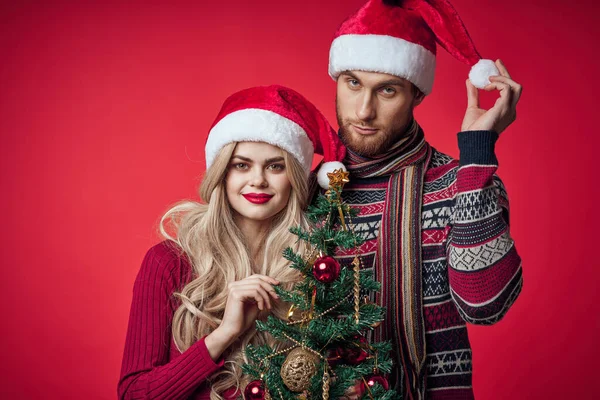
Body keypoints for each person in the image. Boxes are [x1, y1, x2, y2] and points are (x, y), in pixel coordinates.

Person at [323, 1, 524, 399]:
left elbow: (486, 304)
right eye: (352, 83)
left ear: (416, 93)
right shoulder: (312, 191)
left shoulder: (460, 181)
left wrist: (477, 151)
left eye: (387, 90)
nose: (364, 110)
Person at [118, 85, 346, 400]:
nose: (258, 180)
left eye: (275, 166)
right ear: (222, 174)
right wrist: (225, 333)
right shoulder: (169, 262)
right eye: (242, 165)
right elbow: (134, 395)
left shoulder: (315, 266)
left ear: (294, 176)